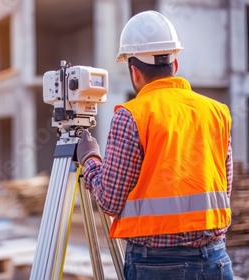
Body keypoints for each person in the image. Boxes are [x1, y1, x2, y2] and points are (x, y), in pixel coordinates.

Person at [76, 11, 234, 279]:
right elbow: (223, 189)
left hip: (157, 264)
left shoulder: (132, 115)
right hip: (216, 260)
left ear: (134, 72)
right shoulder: (217, 112)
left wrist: (90, 159)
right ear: (175, 63)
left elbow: (110, 200)